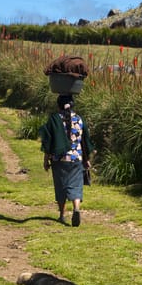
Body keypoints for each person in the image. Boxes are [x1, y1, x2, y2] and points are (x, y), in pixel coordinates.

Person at [39, 94, 94, 227]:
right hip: (77, 158)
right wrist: (87, 159)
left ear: (58, 105)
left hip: (59, 159)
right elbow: (85, 142)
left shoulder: (54, 119)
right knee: (76, 185)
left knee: (61, 186)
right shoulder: (79, 120)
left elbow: (48, 141)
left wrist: (46, 160)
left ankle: (62, 215)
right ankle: (76, 208)